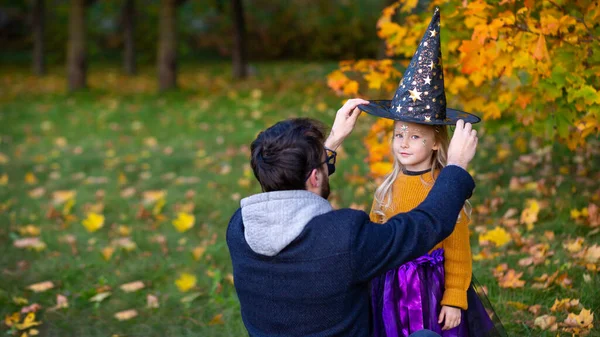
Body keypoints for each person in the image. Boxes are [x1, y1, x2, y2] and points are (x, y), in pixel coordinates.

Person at [226, 94, 479, 335]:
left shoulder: (239, 228)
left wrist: (332, 141)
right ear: (315, 176)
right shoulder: (345, 239)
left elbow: (294, 184)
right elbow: (425, 225)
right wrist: (455, 167)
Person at [357, 8, 505, 337]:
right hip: (391, 284)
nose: (404, 143)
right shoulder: (386, 187)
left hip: (432, 286)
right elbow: (374, 240)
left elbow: (457, 248)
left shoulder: (444, 188)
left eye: (415, 137)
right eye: (399, 135)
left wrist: (453, 298)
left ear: (436, 144)